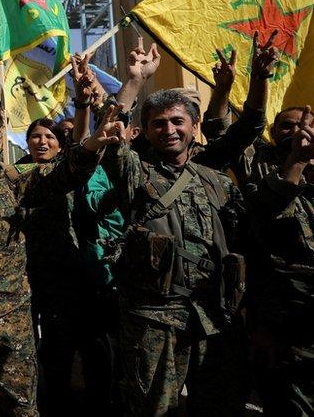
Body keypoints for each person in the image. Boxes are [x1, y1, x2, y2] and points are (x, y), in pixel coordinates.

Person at [0, 108, 121, 416]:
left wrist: (91, 145)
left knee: (21, 403)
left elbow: (60, 176)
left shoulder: (9, 183)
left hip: (13, 316)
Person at [104, 88, 249, 416]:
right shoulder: (135, 173)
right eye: (158, 123)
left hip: (213, 315)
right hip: (155, 318)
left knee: (221, 405)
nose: (169, 130)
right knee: (155, 408)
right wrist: (134, 80)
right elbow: (112, 135)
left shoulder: (217, 182)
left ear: (194, 126)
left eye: (177, 121)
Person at [242, 106, 314, 415]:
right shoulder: (269, 187)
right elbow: (266, 216)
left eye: (312, 135)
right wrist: (296, 162)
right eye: (290, 129)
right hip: (287, 336)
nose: (303, 138)